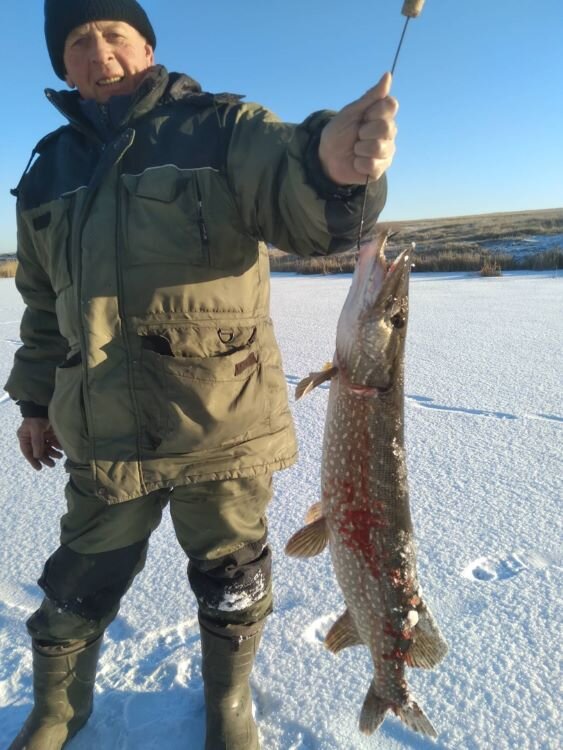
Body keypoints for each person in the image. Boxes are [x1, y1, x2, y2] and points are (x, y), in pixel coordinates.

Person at [4, 1, 398, 748]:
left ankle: (229, 705)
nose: (99, 52)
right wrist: (34, 400)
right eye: (79, 41)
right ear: (62, 65)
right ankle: (58, 710)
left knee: (233, 581)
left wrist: (333, 171)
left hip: (223, 423)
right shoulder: (48, 168)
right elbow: (43, 303)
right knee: (76, 584)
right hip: (101, 432)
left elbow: (299, 196)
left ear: (147, 47)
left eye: (115, 34)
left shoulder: (222, 129)